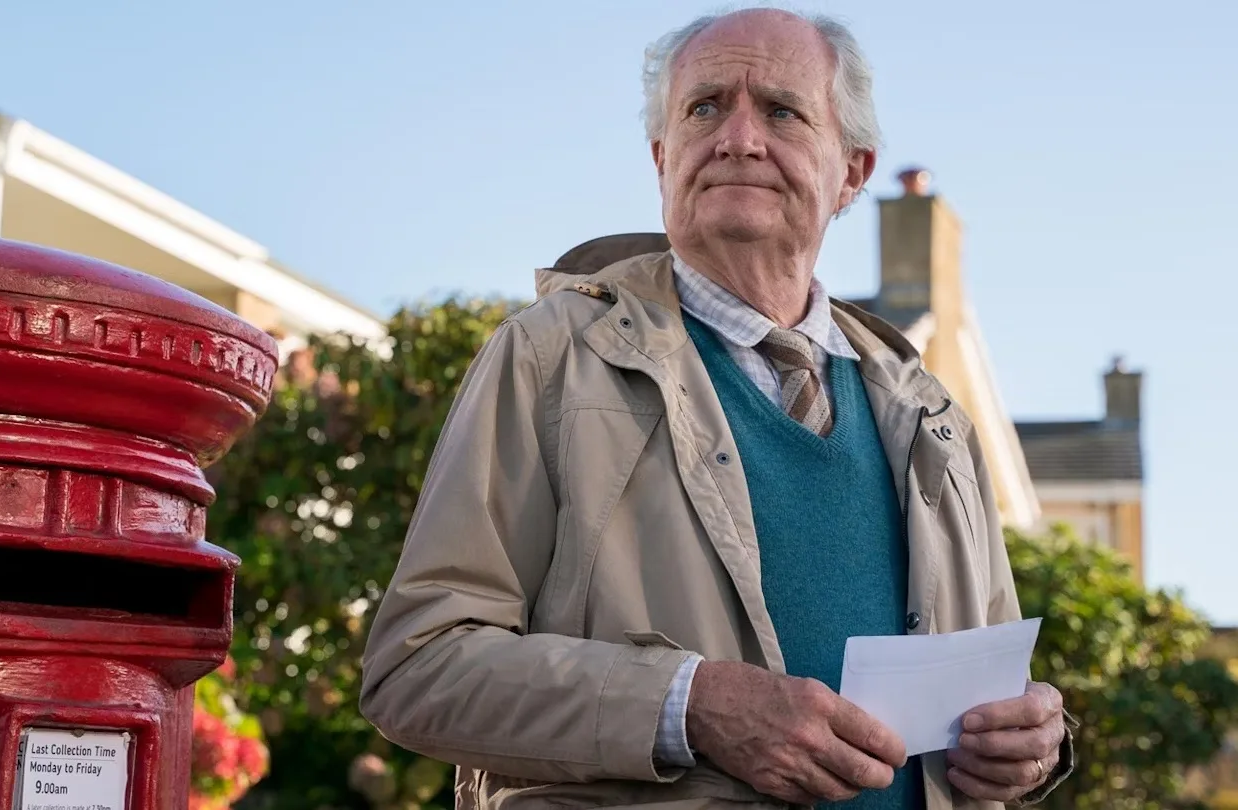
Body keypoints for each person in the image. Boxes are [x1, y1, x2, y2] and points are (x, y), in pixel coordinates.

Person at [360, 7, 1074, 809]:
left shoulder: (933, 415)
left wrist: (1034, 747)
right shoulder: (550, 355)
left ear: (853, 171)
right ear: (663, 156)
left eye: (781, 110)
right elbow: (417, 668)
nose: (737, 137)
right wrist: (689, 706)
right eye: (704, 108)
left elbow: (1001, 698)